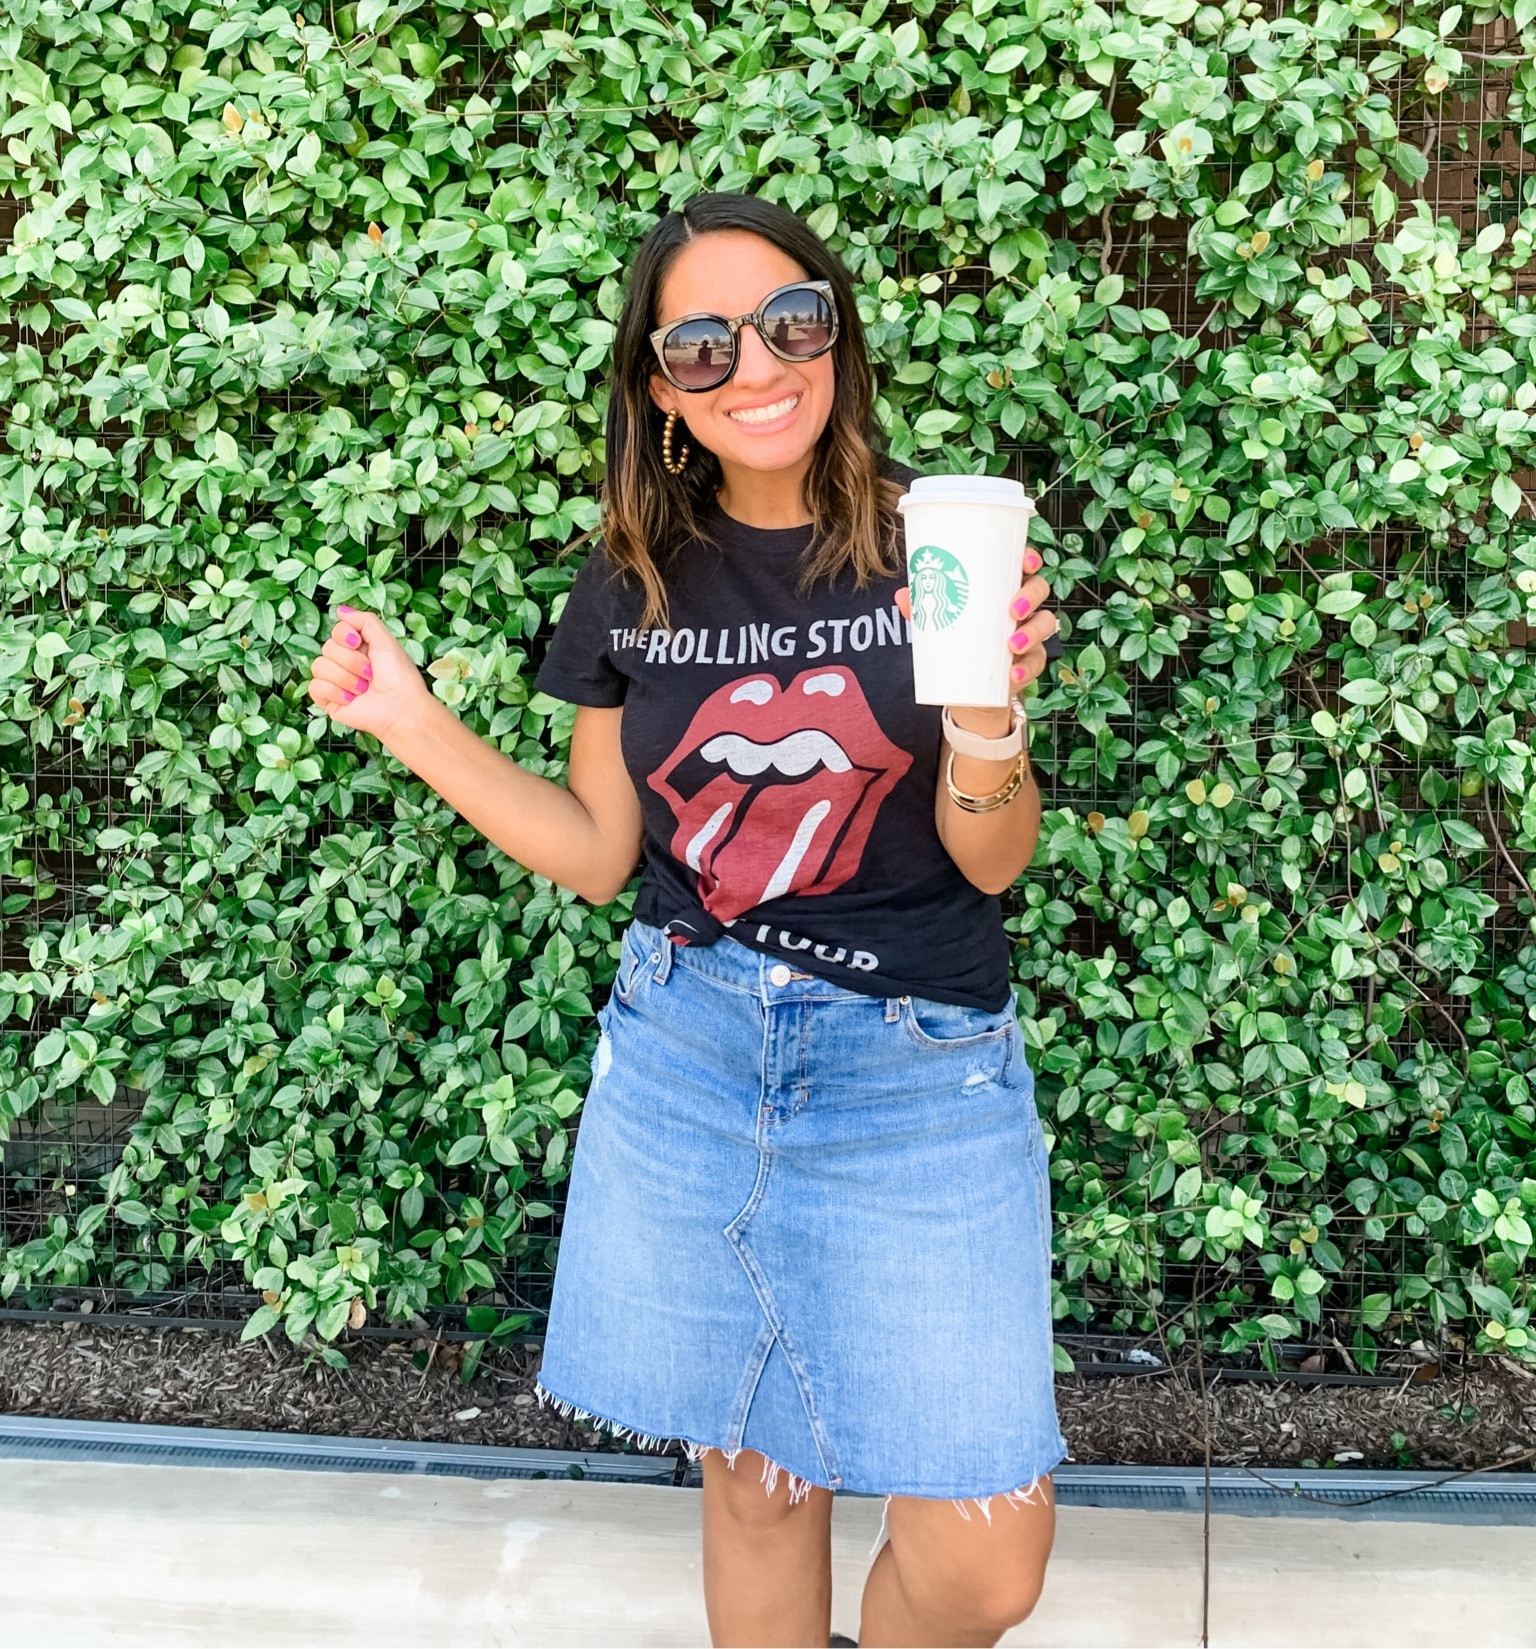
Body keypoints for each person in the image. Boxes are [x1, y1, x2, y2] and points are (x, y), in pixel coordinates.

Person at [305, 190, 1065, 1649]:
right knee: (763, 1490)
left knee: (983, 1561)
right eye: (704, 345)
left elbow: (990, 862)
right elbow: (600, 853)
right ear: (660, 389)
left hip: (918, 1069)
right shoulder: (632, 580)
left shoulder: (941, 543)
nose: (758, 366)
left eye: (791, 323)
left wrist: (985, 720)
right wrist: (411, 720)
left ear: (837, 338)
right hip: (691, 1047)